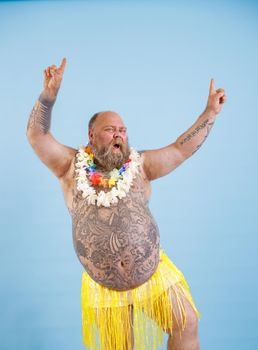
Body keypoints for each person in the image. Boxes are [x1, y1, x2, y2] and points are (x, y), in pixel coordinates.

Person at [26, 58, 227, 350]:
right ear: (91, 136)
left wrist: (210, 113)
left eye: (122, 129)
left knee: (186, 324)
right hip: (104, 288)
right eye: (110, 129)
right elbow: (37, 135)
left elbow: (180, 149)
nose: (119, 133)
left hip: (153, 275)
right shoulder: (70, 166)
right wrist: (49, 96)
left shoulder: (141, 165)